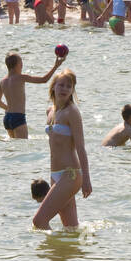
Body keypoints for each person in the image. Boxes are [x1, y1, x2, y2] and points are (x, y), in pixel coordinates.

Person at [34, 69, 91, 230]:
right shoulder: (50, 111)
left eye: (69, 86)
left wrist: (86, 178)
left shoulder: (72, 112)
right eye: (61, 85)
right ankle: (69, 254)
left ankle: (50, 255)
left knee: (39, 221)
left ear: (73, 90)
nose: (65, 89)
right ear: (53, 87)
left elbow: (80, 147)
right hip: (55, 175)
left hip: (71, 174)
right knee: (71, 228)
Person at [0, 51, 63, 138]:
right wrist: (56, 66)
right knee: (21, 149)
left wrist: (7, 108)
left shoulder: (2, 81)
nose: (22, 65)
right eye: (21, 63)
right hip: (18, 117)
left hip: (7, 118)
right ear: (17, 65)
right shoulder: (21, 78)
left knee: (13, 147)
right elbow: (44, 80)